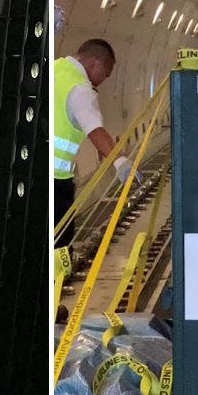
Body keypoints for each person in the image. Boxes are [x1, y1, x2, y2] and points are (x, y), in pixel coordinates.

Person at [53, 39, 136, 248]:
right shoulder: (80, 88)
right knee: (60, 244)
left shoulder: (56, 68)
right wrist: (120, 162)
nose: (102, 81)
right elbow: (95, 130)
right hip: (56, 182)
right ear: (96, 63)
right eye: (105, 74)